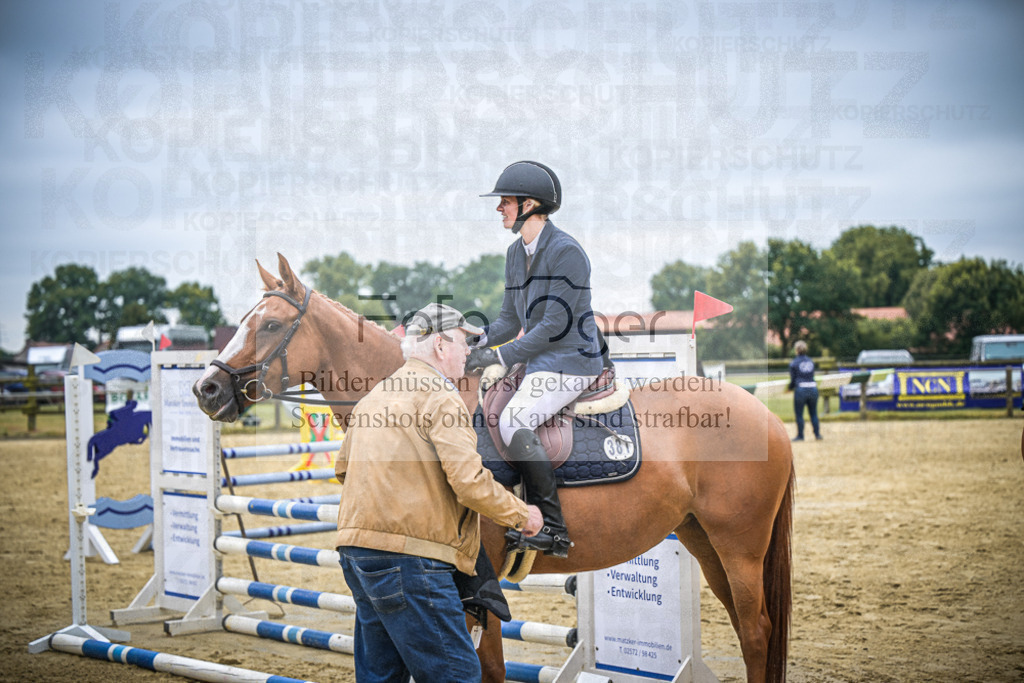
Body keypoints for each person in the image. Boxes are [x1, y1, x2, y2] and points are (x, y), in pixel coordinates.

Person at [334, 302, 544, 683]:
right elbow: (468, 482)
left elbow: (343, 469)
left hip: (355, 552)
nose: (469, 352)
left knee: (381, 675)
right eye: (464, 342)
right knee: (456, 673)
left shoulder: (375, 396)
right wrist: (522, 514)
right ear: (441, 346)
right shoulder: (441, 397)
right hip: (412, 560)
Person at [465, 161, 604, 559]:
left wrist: (500, 355)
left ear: (529, 204)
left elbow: (552, 326)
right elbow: (511, 318)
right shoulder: (515, 253)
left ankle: (555, 530)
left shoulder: (567, 252)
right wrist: (478, 341)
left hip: (570, 360)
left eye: (505, 202)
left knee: (515, 419)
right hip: (539, 358)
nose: (500, 209)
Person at [789, 340, 822, 441]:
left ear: (796, 350)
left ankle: (800, 436)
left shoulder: (794, 363)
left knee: (799, 414)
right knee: (814, 413)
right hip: (813, 388)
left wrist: (789, 388)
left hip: (801, 390)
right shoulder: (811, 361)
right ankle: (817, 435)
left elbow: (793, 380)